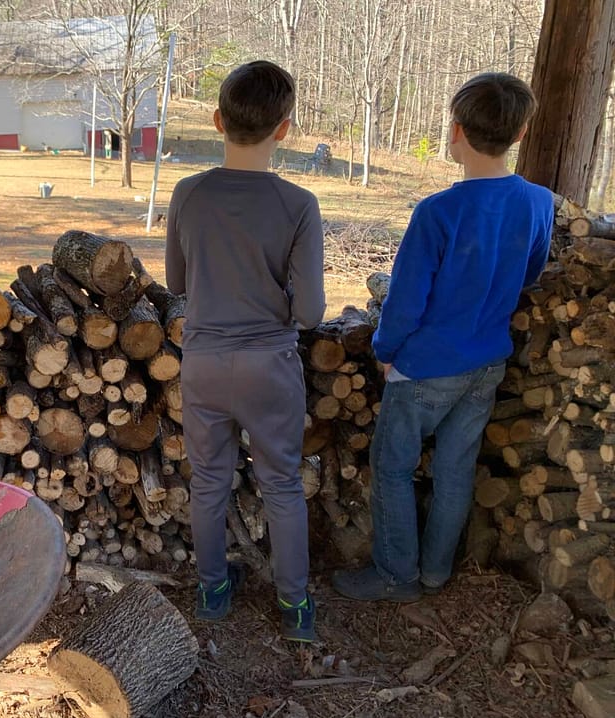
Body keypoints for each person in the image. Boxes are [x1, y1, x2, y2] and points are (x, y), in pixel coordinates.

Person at [332, 73, 554, 603]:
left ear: (455, 131)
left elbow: (406, 301)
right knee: (456, 469)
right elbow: (531, 272)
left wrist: (386, 352)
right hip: (488, 362)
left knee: (392, 468)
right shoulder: (539, 202)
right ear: (521, 133)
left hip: (426, 366)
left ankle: (395, 576)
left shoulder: (437, 212)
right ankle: (435, 572)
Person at [165, 60, 325, 642]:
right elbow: (310, 313)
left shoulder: (188, 193)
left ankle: (212, 591)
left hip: (204, 362)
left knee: (209, 481)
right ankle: (296, 604)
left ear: (215, 121)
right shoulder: (299, 205)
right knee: (282, 484)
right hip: (269, 367)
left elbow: (176, 284)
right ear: (285, 129)